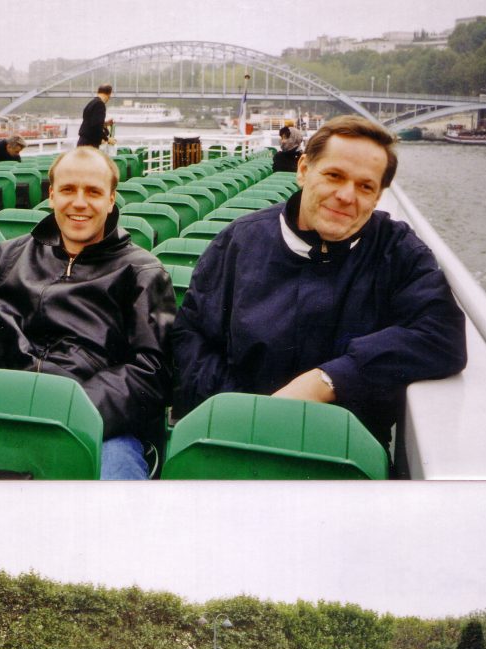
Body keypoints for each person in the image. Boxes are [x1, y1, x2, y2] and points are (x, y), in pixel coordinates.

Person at [172, 115, 467, 454]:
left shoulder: (397, 250)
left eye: (365, 186)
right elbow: (191, 335)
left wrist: (330, 380)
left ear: (378, 197)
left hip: (339, 450)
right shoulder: (240, 242)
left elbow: (442, 335)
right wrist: (244, 408)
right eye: (334, 176)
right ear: (302, 170)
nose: (346, 195)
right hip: (234, 436)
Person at [0, 146, 176, 481]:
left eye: (93, 192)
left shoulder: (143, 273)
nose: (79, 203)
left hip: (98, 426)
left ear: (111, 199)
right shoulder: (16, 255)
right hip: (8, 410)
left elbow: (152, 367)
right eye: (68, 190)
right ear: (51, 195)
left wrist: (71, 408)